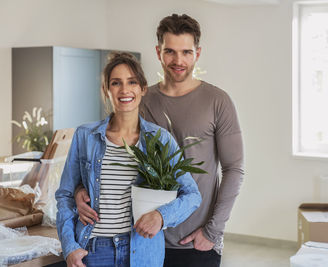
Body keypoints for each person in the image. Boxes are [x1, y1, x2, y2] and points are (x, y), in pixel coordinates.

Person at [76, 14, 244, 267]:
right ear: (158, 52)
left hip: (193, 239)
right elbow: (110, 155)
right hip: (139, 238)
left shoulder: (217, 101)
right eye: (170, 52)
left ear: (198, 53)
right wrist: (80, 190)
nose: (178, 61)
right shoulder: (140, 99)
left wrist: (212, 231)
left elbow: (234, 169)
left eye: (186, 52)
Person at [55, 52, 201, 267]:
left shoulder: (160, 139)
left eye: (131, 82)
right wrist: (70, 247)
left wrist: (161, 217)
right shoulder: (85, 136)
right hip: (94, 251)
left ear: (142, 88)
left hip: (143, 250)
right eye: (116, 83)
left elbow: (192, 195)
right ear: (106, 90)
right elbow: (65, 195)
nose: (124, 90)